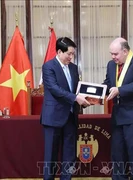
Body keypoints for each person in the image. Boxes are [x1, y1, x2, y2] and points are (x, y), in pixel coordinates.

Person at [40, 37, 90, 180]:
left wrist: (86, 100)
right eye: (69, 53)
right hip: (53, 117)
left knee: (70, 155)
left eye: (73, 54)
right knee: (51, 156)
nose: (71, 57)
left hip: (70, 116)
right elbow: (54, 89)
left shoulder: (74, 68)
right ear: (59, 52)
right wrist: (75, 98)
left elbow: (77, 89)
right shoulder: (48, 66)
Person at [103, 37, 133, 180]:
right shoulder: (111, 65)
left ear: (125, 51)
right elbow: (108, 84)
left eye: (115, 54)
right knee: (117, 156)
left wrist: (119, 90)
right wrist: (93, 92)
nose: (113, 57)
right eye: (111, 54)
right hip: (118, 117)